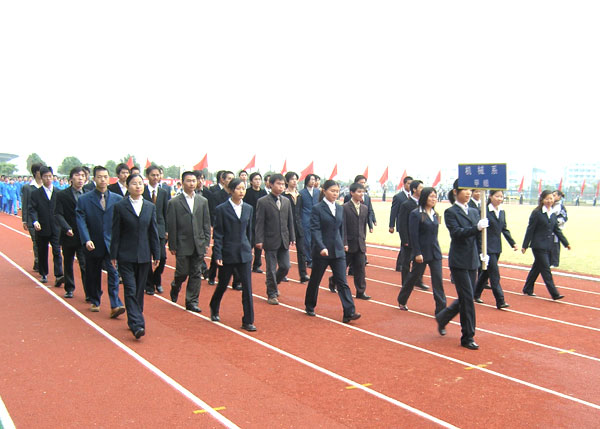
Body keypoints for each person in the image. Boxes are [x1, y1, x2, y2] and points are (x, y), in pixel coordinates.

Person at [435, 180, 488, 350]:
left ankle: (443, 317)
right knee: (467, 299)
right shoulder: (451, 212)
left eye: (470, 190)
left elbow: (479, 237)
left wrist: (482, 253)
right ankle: (468, 336)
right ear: (455, 192)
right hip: (459, 260)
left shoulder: (474, 211)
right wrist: (476, 228)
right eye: (464, 189)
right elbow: (457, 233)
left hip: (472, 259)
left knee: (467, 296)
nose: (468, 193)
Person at [110, 174, 160, 339]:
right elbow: (116, 232)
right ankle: (137, 324)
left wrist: (156, 252)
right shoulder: (120, 207)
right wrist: (113, 254)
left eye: (140, 183)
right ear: (127, 186)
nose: (138, 186)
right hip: (125, 254)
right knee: (130, 289)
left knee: (139, 290)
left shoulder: (149, 207)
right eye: (134, 183)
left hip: (144, 255)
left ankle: (134, 316)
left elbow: (153, 231)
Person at [304, 180, 361, 323]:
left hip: (338, 251)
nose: (335, 194)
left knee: (342, 281)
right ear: (324, 191)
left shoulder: (340, 208)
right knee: (315, 280)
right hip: (322, 251)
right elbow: (315, 229)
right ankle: (310, 305)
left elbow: (342, 229)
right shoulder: (317, 209)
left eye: (337, 191)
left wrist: (344, 243)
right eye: (332, 191)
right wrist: (321, 246)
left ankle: (349, 312)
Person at [76, 166, 125, 317]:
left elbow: (121, 222)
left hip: (111, 243)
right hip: (93, 242)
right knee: (93, 273)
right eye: (99, 177)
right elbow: (81, 221)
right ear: (94, 179)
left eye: (105, 177)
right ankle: (95, 299)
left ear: (109, 178)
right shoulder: (84, 200)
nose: (102, 180)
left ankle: (115, 304)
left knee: (113, 273)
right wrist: (86, 239)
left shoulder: (117, 199)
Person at [209, 179, 256, 331]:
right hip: (228, 252)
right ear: (230, 190)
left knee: (247, 287)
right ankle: (214, 306)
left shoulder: (248, 208)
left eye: (243, 188)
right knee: (223, 283)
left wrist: (249, 247)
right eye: (238, 188)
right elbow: (218, 234)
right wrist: (218, 254)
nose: (242, 191)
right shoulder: (221, 209)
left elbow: (249, 231)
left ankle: (248, 320)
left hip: (244, 253)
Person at [166, 171, 211, 312]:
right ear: (182, 182)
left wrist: (206, 241)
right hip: (182, 243)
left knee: (196, 273)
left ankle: (192, 301)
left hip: (199, 243)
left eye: (194, 181)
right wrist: (172, 244)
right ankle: (176, 285)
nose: (192, 183)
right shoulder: (174, 202)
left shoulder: (202, 201)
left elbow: (206, 222)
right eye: (188, 181)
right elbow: (172, 225)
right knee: (182, 272)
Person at [397, 187, 446, 314]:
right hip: (422, 253)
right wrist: (417, 253)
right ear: (424, 198)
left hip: (435, 252)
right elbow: (414, 235)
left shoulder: (436, 214)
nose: (434, 199)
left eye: (435, 196)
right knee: (413, 277)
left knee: (438, 280)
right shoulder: (416, 214)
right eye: (431, 196)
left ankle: (441, 308)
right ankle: (402, 299)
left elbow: (435, 233)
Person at [522, 190, 571, 299]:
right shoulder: (537, 213)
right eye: (547, 199)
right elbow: (530, 229)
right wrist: (525, 245)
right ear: (542, 200)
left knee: (537, 268)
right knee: (546, 269)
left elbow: (557, 230)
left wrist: (565, 243)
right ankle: (554, 293)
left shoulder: (552, 214)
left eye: (551, 198)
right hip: (538, 245)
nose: (549, 201)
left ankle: (527, 288)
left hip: (548, 245)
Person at [255, 173, 296, 304]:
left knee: (285, 266)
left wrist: (292, 236)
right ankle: (271, 293)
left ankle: (273, 283)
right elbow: (259, 222)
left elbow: (290, 220)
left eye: (283, 184)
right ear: (271, 185)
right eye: (278, 184)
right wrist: (259, 239)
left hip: (284, 239)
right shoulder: (262, 201)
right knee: (271, 269)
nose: (281, 186)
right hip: (270, 239)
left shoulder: (286, 201)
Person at [473, 190, 518, 309]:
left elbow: (504, 229)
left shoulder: (501, 212)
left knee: (486, 273)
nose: (499, 199)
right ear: (490, 196)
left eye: (501, 197)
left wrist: (512, 243)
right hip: (487, 248)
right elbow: (478, 231)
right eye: (497, 196)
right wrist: (481, 249)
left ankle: (475, 294)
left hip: (497, 247)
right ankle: (500, 300)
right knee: (494, 274)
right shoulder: (484, 211)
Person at [55, 167, 87, 299]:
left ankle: (89, 292)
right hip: (69, 234)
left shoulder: (89, 194)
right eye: (77, 175)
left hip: (84, 235)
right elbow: (58, 214)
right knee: (68, 262)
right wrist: (66, 228)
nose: (80, 178)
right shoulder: (62, 195)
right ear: (71, 178)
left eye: (83, 175)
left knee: (85, 264)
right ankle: (69, 288)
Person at [29, 166, 64, 285]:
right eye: (45, 176)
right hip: (42, 227)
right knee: (42, 251)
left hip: (56, 227)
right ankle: (43, 273)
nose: (48, 179)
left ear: (53, 177)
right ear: (41, 177)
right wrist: (35, 221)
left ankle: (59, 275)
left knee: (57, 251)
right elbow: (32, 209)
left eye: (50, 176)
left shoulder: (59, 193)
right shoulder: (36, 193)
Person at [143, 164, 170, 295]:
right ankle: (149, 284)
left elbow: (166, 212)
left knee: (162, 257)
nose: (155, 177)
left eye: (157, 175)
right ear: (147, 176)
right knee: (146, 258)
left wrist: (167, 230)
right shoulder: (142, 191)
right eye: (152, 175)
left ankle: (156, 279)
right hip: (145, 229)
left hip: (159, 229)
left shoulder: (164, 192)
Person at [398, 180, 429, 291]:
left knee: (421, 262)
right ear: (414, 189)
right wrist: (405, 239)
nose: (423, 190)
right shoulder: (406, 204)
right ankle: (405, 283)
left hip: (422, 238)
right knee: (406, 262)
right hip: (409, 238)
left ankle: (418, 281)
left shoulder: (424, 204)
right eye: (421, 188)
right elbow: (402, 223)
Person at [342, 182, 370, 299]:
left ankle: (360, 291)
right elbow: (343, 227)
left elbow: (363, 226)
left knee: (360, 269)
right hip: (348, 244)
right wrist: (344, 243)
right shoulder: (344, 208)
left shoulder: (364, 208)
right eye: (359, 192)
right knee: (342, 267)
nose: (361, 194)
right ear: (352, 193)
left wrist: (363, 239)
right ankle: (333, 280)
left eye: (362, 192)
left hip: (360, 244)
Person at [283, 171, 310, 283]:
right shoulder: (284, 195)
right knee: (284, 250)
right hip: (286, 225)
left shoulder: (299, 195)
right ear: (287, 181)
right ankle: (282, 273)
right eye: (292, 179)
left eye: (296, 179)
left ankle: (303, 274)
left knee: (302, 251)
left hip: (298, 225)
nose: (294, 181)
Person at [21, 162, 43, 272]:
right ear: (35, 173)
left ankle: (40, 261)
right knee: (36, 241)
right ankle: (38, 261)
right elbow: (25, 204)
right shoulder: (28, 187)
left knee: (43, 242)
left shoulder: (46, 186)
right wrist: (24, 220)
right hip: (32, 219)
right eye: (40, 171)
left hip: (45, 219)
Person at [243, 172, 267, 273]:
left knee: (259, 245)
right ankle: (246, 263)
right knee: (249, 244)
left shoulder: (263, 193)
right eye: (255, 179)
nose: (258, 181)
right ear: (251, 181)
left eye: (259, 179)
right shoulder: (247, 192)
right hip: (249, 221)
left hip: (260, 222)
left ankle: (257, 265)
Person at [389, 176, 413, 272]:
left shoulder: (414, 196)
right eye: (408, 183)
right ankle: (401, 265)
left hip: (412, 225)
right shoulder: (398, 197)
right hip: (402, 225)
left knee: (407, 246)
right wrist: (391, 225)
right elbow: (393, 212)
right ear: (404, 184)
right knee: (404, 244)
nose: (410, 186)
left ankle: (401, 264)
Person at [299, 174, 319, 268]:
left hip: (316, 218)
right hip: (305, 218)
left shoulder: (318, 192)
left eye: (314, 179)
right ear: (307, 181)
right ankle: (309, 259)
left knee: (315, 239)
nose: (313, 181)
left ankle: (314, 258)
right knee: (307, 240)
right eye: (311, 179)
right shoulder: (301, 193)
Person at [550, 190, 568, 267]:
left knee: (555, 245)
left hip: (556, 230)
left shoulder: (560, 207)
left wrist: (555, 223)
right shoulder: (550, 205)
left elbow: (564, 218)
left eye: (554, 195)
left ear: (559, 197)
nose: (553, 197)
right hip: (548, 229)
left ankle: (555, 263)